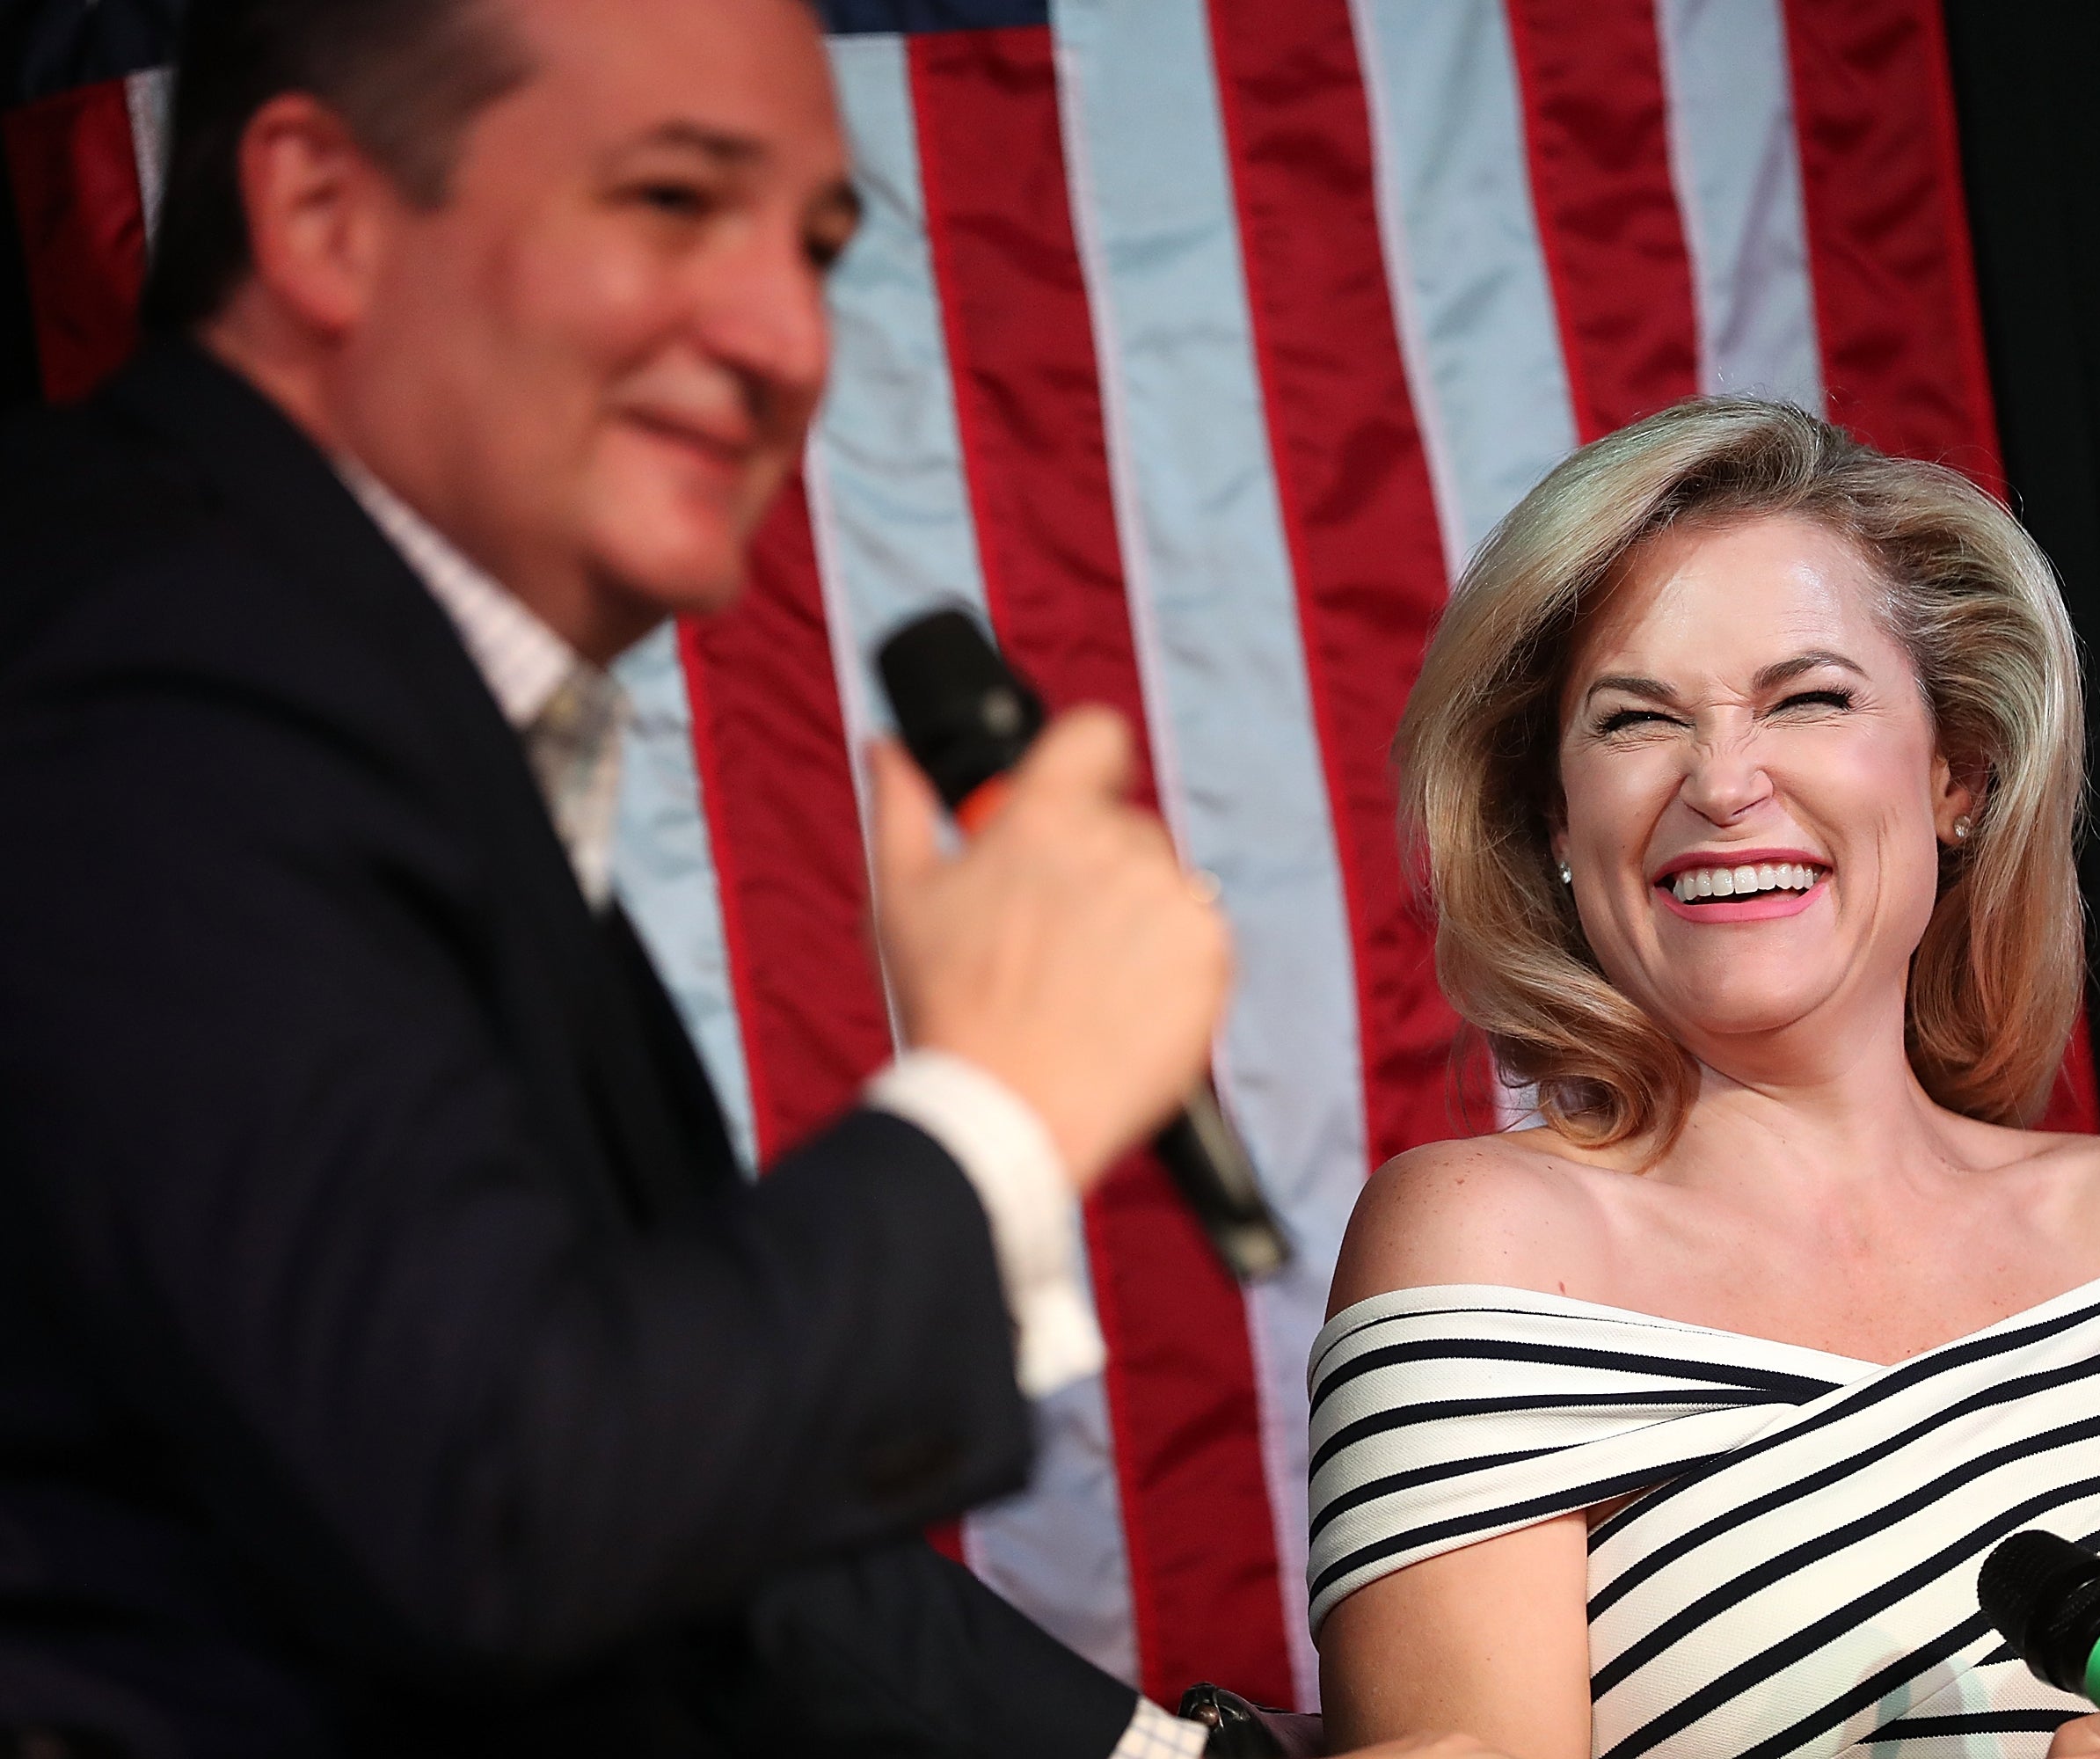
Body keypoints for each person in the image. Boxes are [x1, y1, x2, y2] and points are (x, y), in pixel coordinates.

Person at [0, 0, 1293, 1755]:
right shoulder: (150, 657)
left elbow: (649, 1501)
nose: (784, 336)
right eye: (676, 201)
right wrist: (998, 1103)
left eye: (819, 246)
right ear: (321, 213)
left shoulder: (383, 693)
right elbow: (494, 1498)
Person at [1307, 399, 2100, 1759]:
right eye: (1634, 721)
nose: (1724, 783)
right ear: (1554, 816)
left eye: (1808, 698)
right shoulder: (1482, 1247)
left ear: (1956, 776)